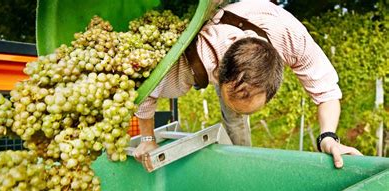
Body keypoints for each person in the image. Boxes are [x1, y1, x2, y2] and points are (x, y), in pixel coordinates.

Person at [133, 0, 362, 170]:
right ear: (220, 73)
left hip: (268, 23)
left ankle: (244, 161)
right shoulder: (204, 55)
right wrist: (147, 139)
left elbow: (328, 92)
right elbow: (147, 89)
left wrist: (328, 137)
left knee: (236, 119)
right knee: (234, 117)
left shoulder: (295, 40)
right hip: (225, 31)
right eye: (230, 98)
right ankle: (241, 151)